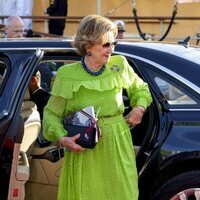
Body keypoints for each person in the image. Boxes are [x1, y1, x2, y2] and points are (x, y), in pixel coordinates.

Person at [43, 14, 152, 200]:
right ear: (88, 46)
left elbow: (141, 89)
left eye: (113, 44)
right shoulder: (67, 75)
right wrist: (63, 139)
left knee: (123, 194)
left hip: (117, 144)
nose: (111, 49)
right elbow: (51, 115)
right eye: (106, 45)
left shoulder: (120, 65)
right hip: (85, 150)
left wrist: (139, 108)